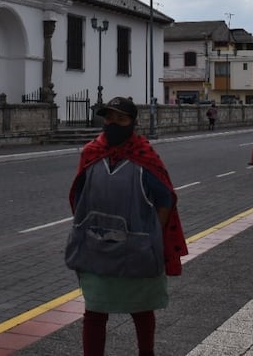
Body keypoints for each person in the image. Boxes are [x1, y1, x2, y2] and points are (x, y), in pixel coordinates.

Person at [65, 96, 188, 356]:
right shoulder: (91, 153)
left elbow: (165, 199)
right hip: (96, 248)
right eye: (109, 118)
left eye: (121, 119)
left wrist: (152, 233)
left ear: (133, 122)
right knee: (95, 311)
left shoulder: (144, 156)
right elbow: (78, 196)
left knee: (141, 310)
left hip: (136, 250)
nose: (114, 123)